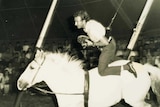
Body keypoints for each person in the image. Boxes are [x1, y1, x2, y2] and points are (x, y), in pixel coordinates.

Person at [73, 10, 137, 77]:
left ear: (83, 21)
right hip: (111, 43)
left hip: (108, 46)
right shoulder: (90, 23)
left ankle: (127, 67)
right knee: (111, 60)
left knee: (102, 71)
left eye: (77, 21)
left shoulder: (91, 29)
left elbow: (105, 42)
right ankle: (128, 63)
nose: (75, 24)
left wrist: (92, 44)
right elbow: (99, 36)